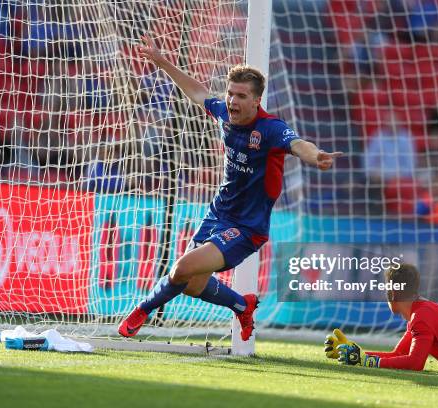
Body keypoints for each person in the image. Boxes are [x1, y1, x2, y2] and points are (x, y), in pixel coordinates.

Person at [119, 36, 343, 340]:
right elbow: (197, 92)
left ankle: (141, 311)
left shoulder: (270, 129)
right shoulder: (225, 114)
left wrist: (316, 156)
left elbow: (298, 144)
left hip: (247, 226)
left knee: (181, 269)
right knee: (194, 285)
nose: (232, 101)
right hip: (218, 213)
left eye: (240, 96)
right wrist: (161, 62)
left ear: (256, 101)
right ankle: (242, 305)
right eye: (230, 93)